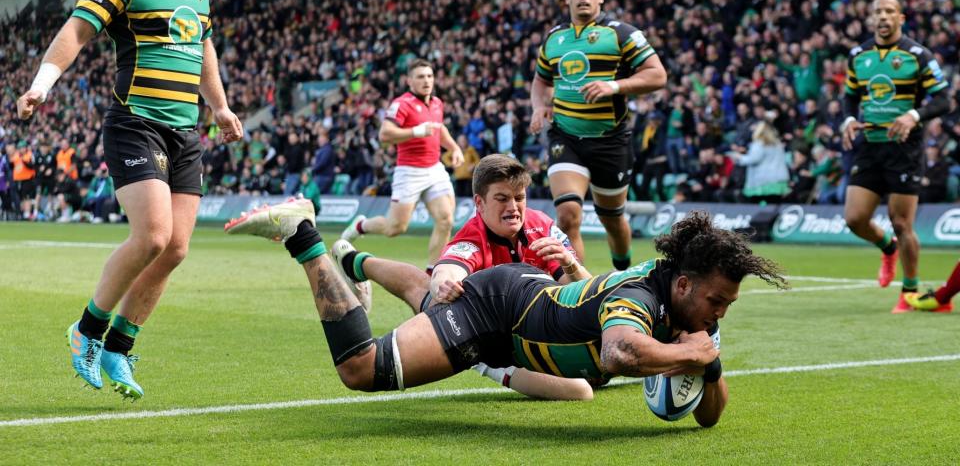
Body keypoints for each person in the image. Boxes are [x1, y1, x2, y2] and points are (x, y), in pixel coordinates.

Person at [227, 204, 786, 427]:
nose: (719, 315)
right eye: (717, 302)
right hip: (496, 311)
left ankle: (354, 259)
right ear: (685, 283)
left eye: (727, 305)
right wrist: (689, 352)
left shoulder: (695, 309)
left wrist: (708, 365)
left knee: (427, 296)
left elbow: (709, 416)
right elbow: (620, 352)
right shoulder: (639, 297)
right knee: (362, 368)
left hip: (523, 319)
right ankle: (304, 234)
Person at [16, 0, 243, 398]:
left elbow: (202, 46)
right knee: (154, 237)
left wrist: (221, 107)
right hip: (135, 122)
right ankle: (86, 331)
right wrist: (41, 85)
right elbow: (76, 31)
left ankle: (119, 347)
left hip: (185, 131)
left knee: (176, 249)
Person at [330, 154, 594, 400]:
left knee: (418, 287)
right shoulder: (473, 235)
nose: (513, 208)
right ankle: (483, 362)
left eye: (519, 197)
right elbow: (449, 268)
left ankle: (354, 262)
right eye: (502, 198)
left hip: (533, 327)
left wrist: (571, 264)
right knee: (580, 390)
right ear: (479, 203)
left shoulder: (543, 227)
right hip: (491, 337)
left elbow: (588, 294)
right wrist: (442, 281)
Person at [530, 0, 667, 270]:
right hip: (565, 136)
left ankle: (622, 272)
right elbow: (540, 81)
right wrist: (539, 106)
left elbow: (658, 75)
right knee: (567, 214)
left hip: (610, 141)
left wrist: (614, 86)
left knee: (612, 219)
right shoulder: (555, 38)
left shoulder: (621, 34)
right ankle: (578, 290)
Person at [840, 0, 949, 313]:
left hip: (905, 148)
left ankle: (910, 292)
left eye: (889, 11)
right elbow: (849, 97)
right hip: (870, 144)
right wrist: (848, 119)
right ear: (870, 19)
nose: (883, 17)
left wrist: (913, 115)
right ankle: (887, 248)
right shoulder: (858, 55)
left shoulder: (918, 55)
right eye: (877, 12)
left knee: (902, 223)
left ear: (901, 18)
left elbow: (944, 99)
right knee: (854, 218)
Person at [341, 59, 464, 265]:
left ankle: (432, 273)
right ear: (409, 81)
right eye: (420, 77)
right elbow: (385, 134)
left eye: (429, 76)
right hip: (409, 172)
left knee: (446, 220)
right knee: (395, 228)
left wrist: (454, 148)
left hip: (434, 169)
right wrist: (416, 131)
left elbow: (439, 129)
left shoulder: (436, 103)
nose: (426, 81)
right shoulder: (402, 104)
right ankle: (361, 225)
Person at [730, 121, 790, 204]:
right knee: (774, 205)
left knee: (759, 207)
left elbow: (753, 159)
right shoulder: (778, 144)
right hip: (778, 181)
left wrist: (739, 157)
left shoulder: (759, 144)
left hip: (763, 182)